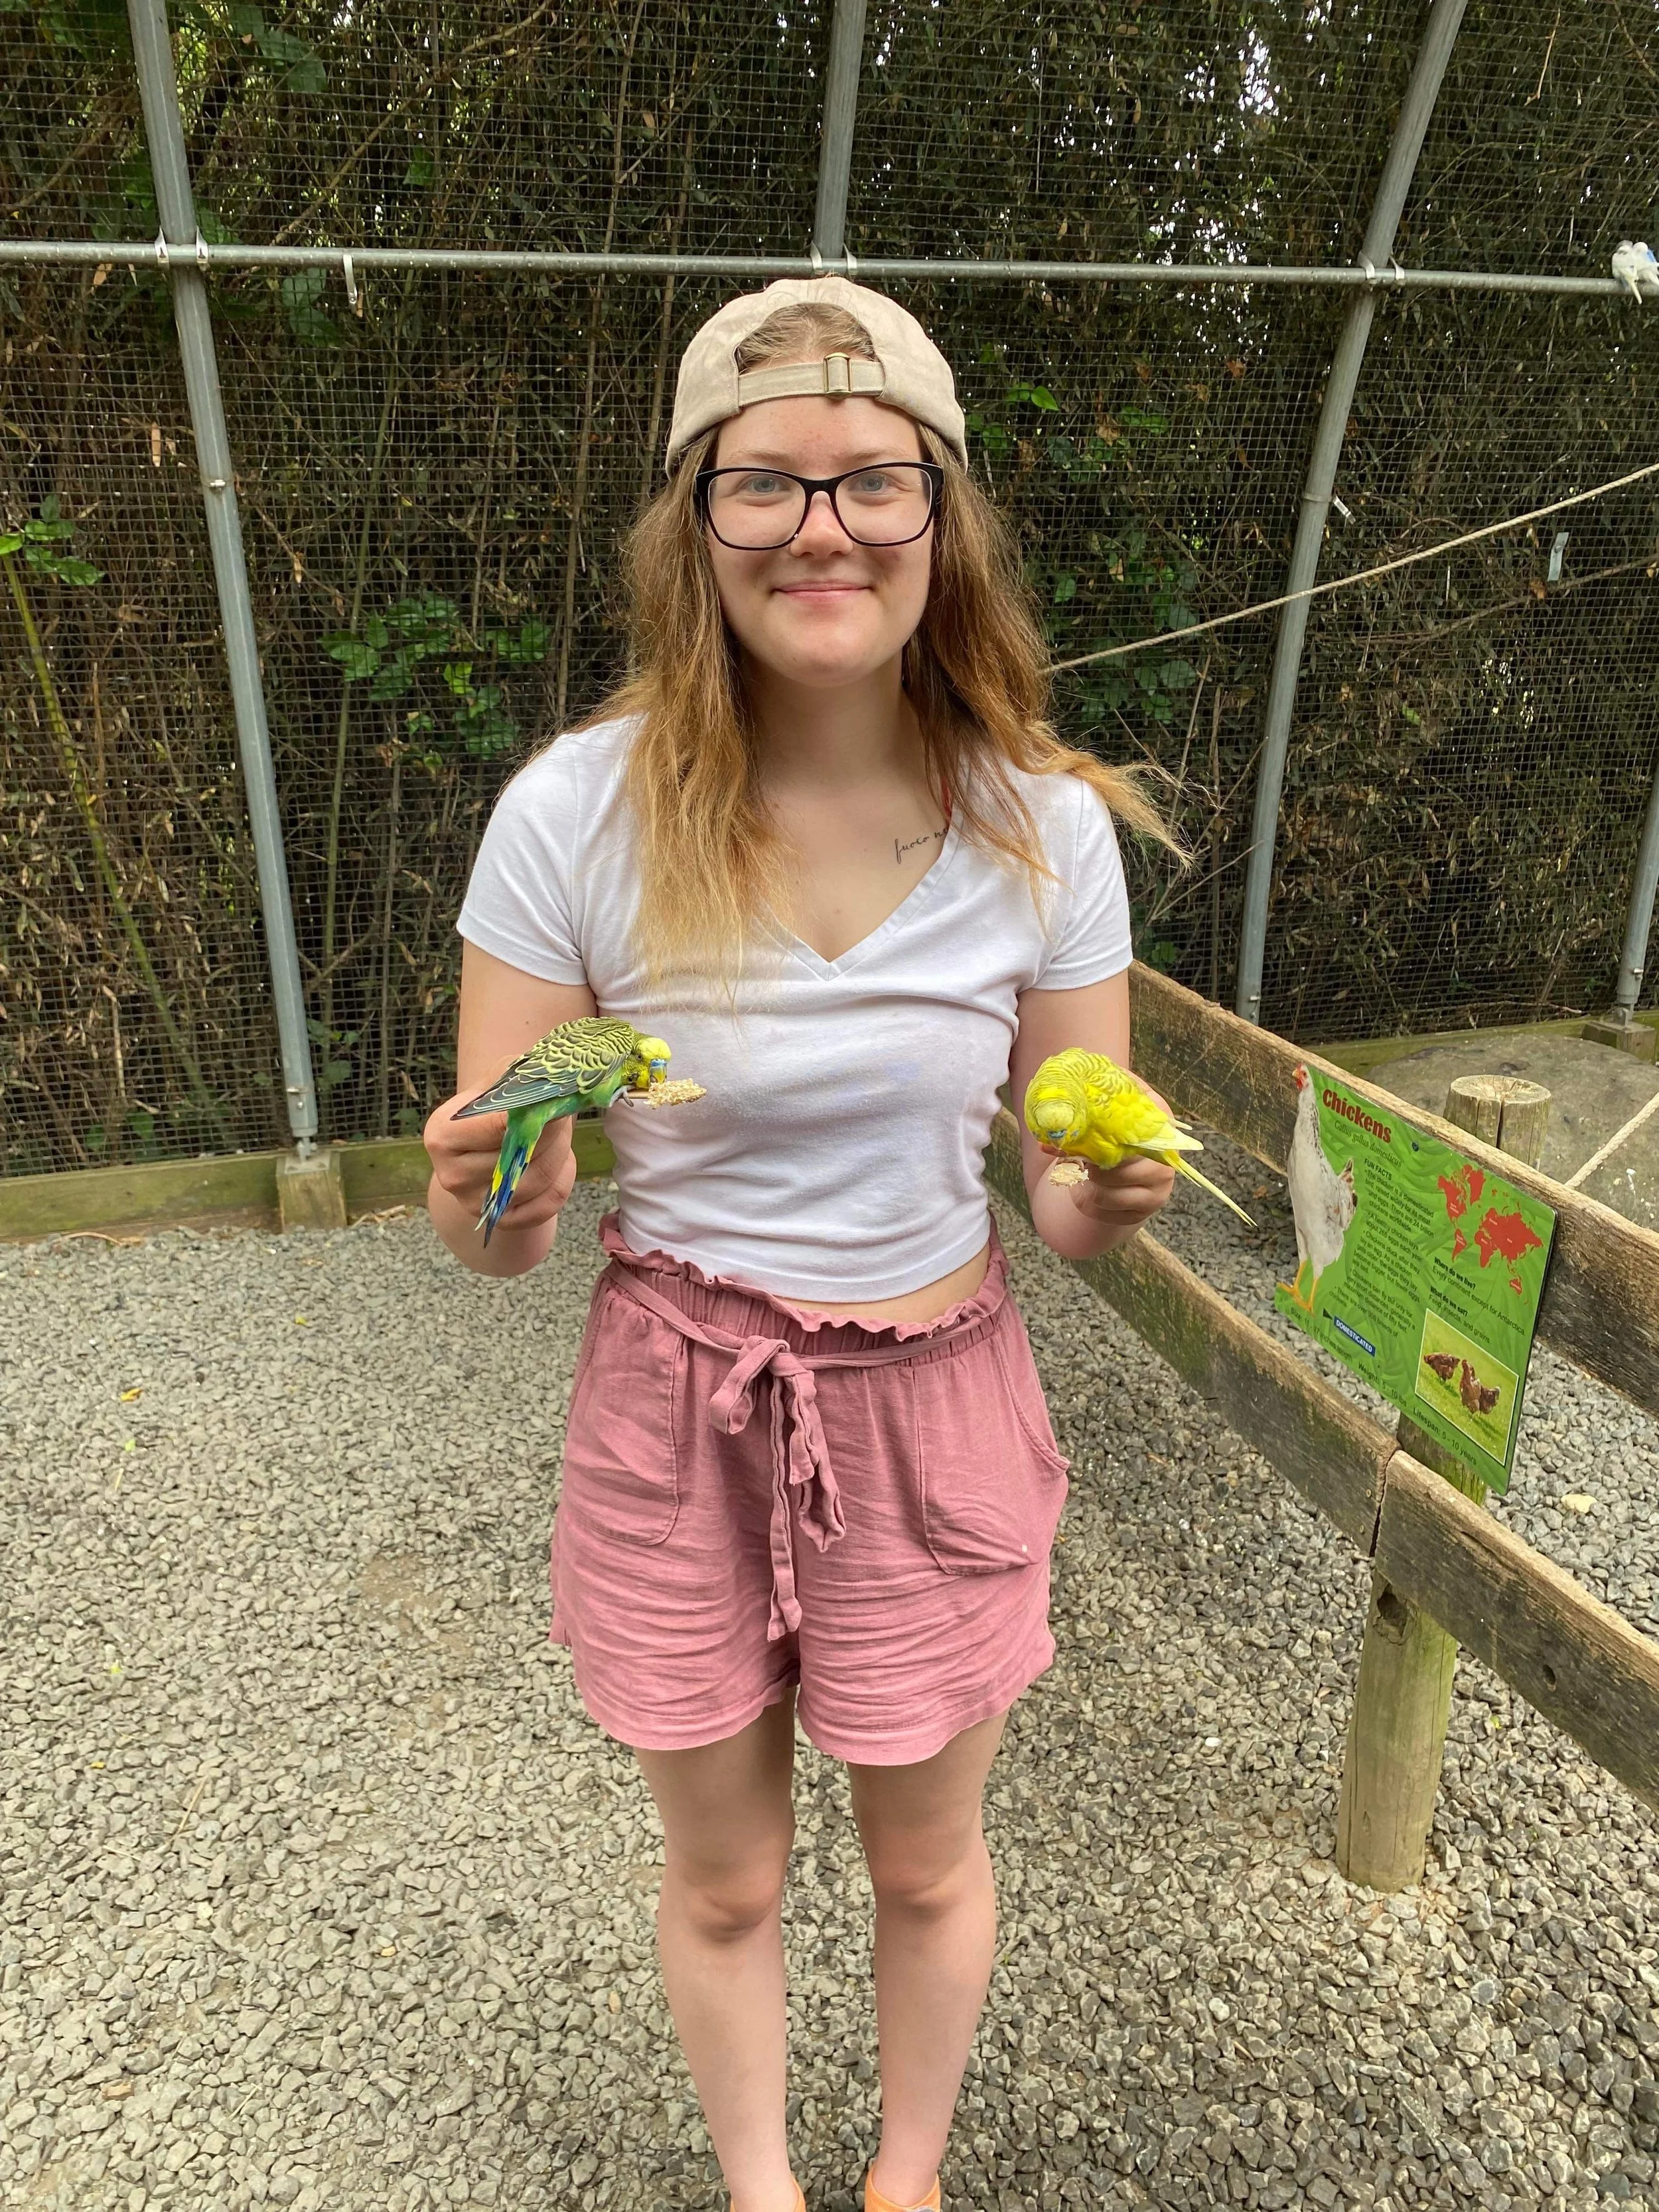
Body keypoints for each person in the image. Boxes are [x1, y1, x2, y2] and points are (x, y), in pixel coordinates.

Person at [425, 276, 1181, 2212]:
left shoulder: (1044, 831)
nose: (820, 528)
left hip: (938, 1403)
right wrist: (485, 1189)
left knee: (924, 1860)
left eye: (871, 482)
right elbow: (506, 1226)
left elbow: (1068, 1197)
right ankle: (763, 2189)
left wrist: (1107, 1189)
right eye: (761, 485)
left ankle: (901, 2182)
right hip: (677, 1400)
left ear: (942, 519)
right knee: (726, 1874)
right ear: (693, 529)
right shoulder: (568, 818)